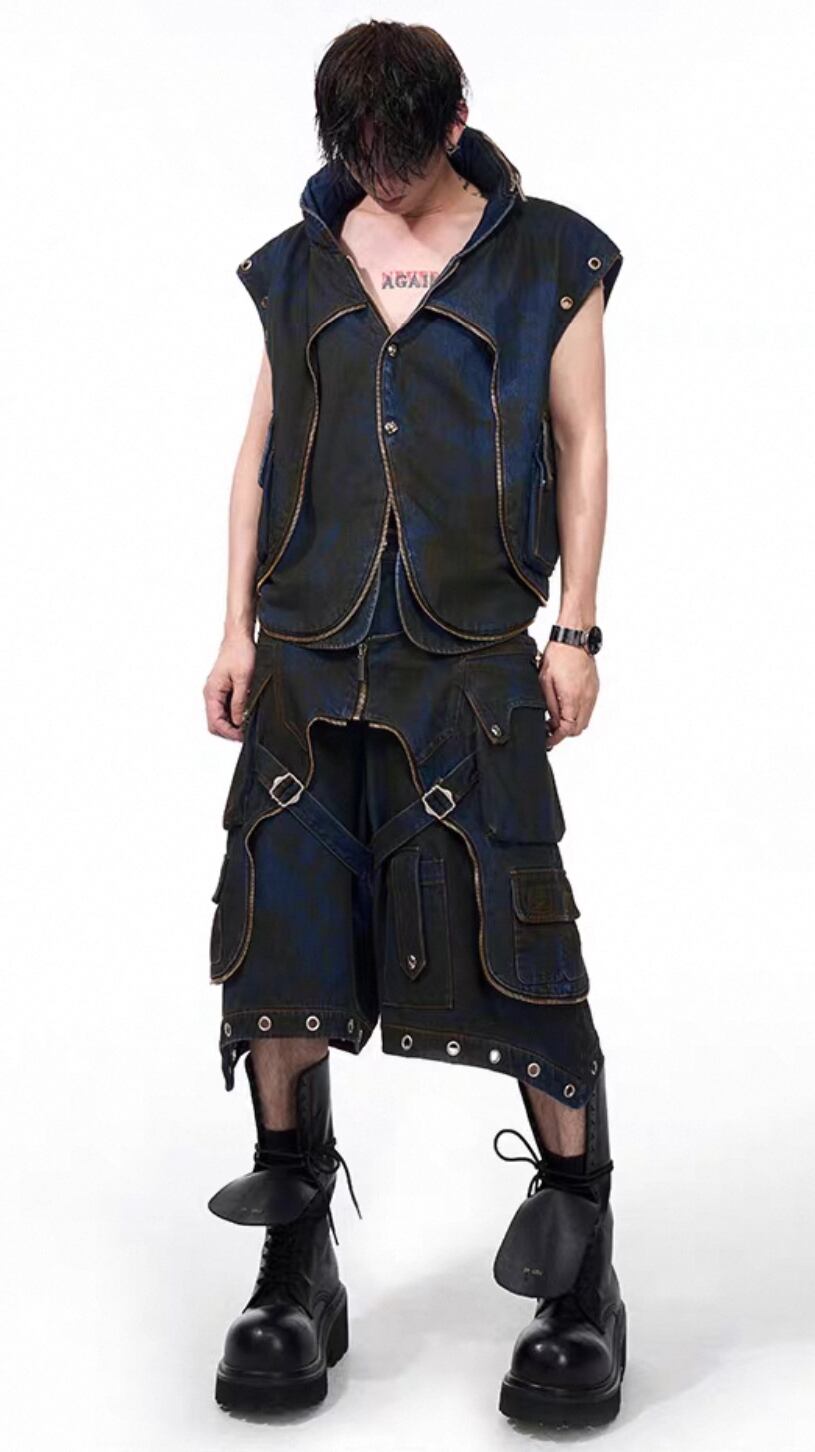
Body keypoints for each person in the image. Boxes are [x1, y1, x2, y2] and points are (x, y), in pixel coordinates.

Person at [202, 19, 626, 1429]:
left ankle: (584, 1278)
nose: (381, 183)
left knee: (524, 949)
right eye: (358, 158)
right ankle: (295, 1266)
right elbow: (261, 452)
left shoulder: (551, 257)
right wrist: (233, 629)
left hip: (470, 658)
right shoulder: (296, 264)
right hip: (309, 653)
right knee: (278, 941)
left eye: (402, 154)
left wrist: (576, 628)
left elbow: (583, 439)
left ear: (453, 124)